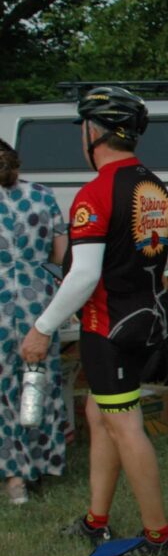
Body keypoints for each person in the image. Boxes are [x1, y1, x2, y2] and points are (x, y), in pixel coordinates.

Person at [20, 86, 168, 556]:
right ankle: (97, 519)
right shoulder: (154, 184)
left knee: (123, 423)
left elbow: (83, 275)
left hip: (107, 327)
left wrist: (42, 328)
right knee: (98, 412)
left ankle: (159, 537)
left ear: (95, 132)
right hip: (146, 320)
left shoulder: (95, 192)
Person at [1, 139, 68, 505]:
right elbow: (60, 258)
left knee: (3, 392)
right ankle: (42, 464)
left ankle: (14, 477)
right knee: (37, 383)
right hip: (38, 303)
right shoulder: (43, 197)